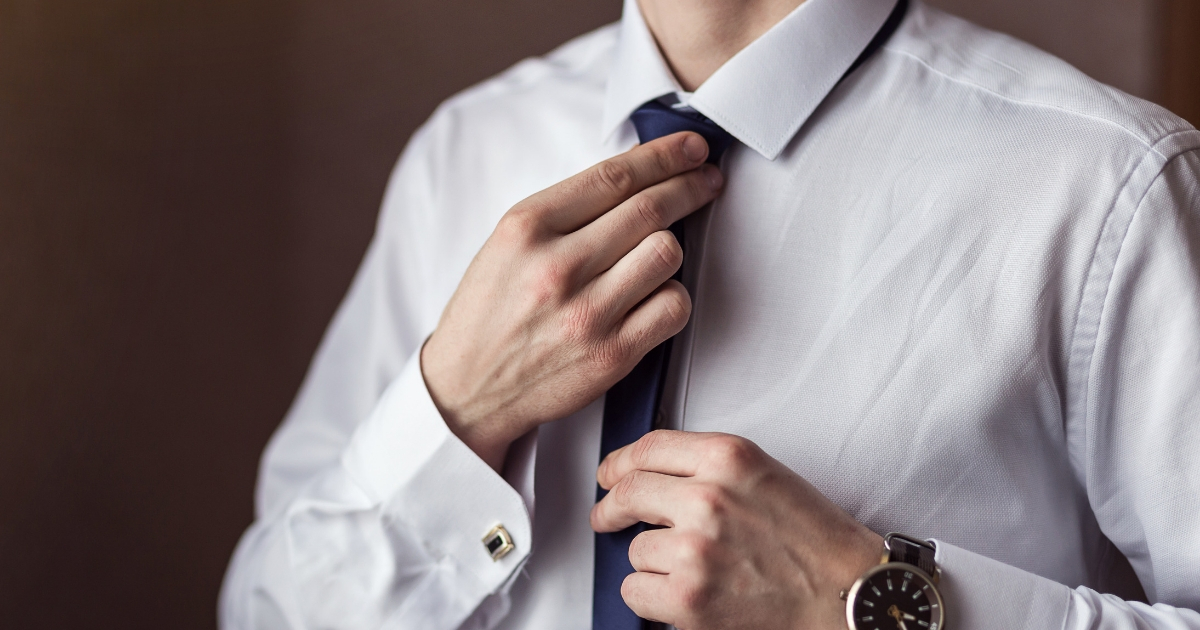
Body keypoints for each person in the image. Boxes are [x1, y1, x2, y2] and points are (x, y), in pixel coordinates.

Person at [219, 0, 1200, 627]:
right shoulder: (464, 153)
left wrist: (868, 602)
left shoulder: (1106, 185)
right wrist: (457, 414)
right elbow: (268, 613)